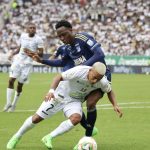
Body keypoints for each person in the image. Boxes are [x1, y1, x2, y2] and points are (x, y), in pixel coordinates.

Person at [25, 20, 112, 147]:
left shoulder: (83, 37)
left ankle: (87, 137)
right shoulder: (68, 48)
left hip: (100, 75)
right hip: (85, 78)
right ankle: (89, 130)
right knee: (75, 101)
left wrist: (83, 67)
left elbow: (99, 54)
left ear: (71, 30)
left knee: (91, 103)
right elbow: (62, 63)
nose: (62, 38)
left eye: (64, 34)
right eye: (59, 36)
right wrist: (42, 61)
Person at [7, 62, 122, 149]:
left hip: (74, 100)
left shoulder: (102, 81)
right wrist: (51, 91)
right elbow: (58, 77)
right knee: (36, 118)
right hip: (59, 96)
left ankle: (49, 137)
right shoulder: (79, 71)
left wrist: (115, 105)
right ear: (90, 70)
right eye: (95, 76)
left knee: (77, 118)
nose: (95, 80)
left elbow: (109, 90)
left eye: (99, 78)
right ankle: (17, 136)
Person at [3, 22, 44, 112]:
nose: (32, 29)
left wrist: (32, 53)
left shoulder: (39, 39)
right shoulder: (23, 36)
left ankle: (14, 105)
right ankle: (8, 103)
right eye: (30, 28)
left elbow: (41, 53)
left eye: (34, 28)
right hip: (18, 61)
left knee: (19, 85)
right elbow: (20, 47)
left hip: (27, 64)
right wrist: (13, 54)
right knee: (11, 80)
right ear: (27, 29)